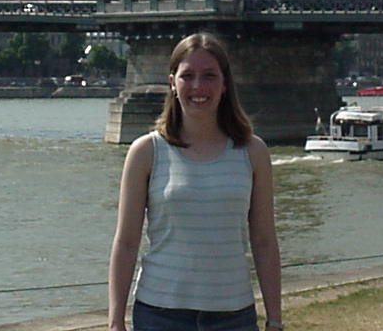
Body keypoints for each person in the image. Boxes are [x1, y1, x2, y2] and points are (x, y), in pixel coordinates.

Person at [108, 32, 283, 331]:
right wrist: (115, 322)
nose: (198, 86)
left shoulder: (253, 152)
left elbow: (264, 242)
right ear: (172, 83)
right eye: (187, 76)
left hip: (233, 316)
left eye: (209, 76)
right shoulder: (146, 152)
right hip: (160, 315)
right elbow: (126, 242)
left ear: (225, 84)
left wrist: (275, 320)